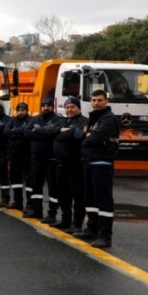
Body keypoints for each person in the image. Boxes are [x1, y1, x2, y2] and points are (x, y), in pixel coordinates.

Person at [74, 90, 120, 248]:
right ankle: (92, 229)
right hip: (89, 162)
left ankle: (105, 236)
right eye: (93, 100)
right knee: (90, 199)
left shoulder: (109, 119)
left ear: (106, 100)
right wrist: (86, 135)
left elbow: (93, 138)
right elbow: (84, 135)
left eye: (99, 100)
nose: (96, 103)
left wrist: (86, 136)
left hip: (102, 163)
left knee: (104, 201)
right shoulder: (95, 118)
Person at [52, 97, 88, 232]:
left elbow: (76, 136)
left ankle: (77, 224)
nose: (69, 110)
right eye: (67, 107)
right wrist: (58, 132)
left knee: (77, 196)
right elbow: (50, 133)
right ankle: (65, 220)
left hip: (75, 165)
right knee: (63, 195)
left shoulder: (84, 121)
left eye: (72, 107)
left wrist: (60, 133)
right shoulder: (63, 121)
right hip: (61, 164)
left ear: (78, 108)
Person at [23, 97, 62, 220]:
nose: (46, 108)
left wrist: (38, 131)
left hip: (51, 160)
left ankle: (52, 213)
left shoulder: (58, 119)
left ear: (52, 106)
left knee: (53, 188)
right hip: (36, 159)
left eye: (48, 105)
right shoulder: (35, 118)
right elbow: (26, 132)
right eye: (44, 106)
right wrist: (45, 133)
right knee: (36, 185)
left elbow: (54, 132)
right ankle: (36, 210)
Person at [3, 102, 33, 210]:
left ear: (26, 110)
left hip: (26, 156)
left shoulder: (30, 120)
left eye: (23, 110)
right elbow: (6, 131)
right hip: (14, 155)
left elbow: (27, 132)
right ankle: (17, 201)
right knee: (15, 180)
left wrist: (15, 131)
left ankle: (30, 204)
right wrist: (18, 133)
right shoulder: (12, 120)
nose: (21, 112)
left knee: (29, 180)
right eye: (19, 110)